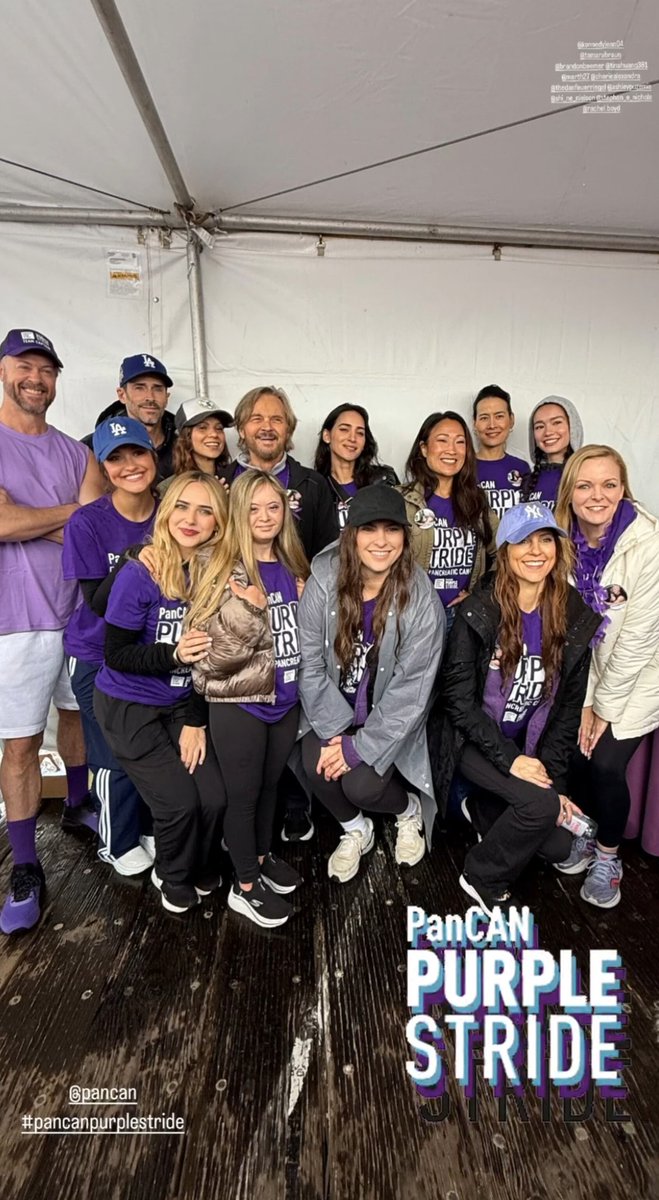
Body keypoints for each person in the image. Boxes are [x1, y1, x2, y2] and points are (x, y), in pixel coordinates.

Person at [429, 502, 601, 916]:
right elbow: (458, 702)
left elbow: (564, 716)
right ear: (505, 551)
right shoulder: (480, 609)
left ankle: (483, 808)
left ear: (558, 550)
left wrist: (554, 786)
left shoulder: (573, 614)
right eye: (523, 541)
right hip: (473, 740)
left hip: (530, 745)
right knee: (538, 809)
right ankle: (480, 876)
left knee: (558, 840)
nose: (536, 550)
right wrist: (512, 762)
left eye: (545, 539)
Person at [0, 328, 105, 935]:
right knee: (18, 745)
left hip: (79, 614)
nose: (36, 378)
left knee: (76, 718)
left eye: (46, 369)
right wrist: (68, 514)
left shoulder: (77, 452)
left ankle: (78, 804)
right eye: (25, 367)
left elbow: (94, 536)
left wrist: (24, 519)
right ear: (5, 371)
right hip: (15, 619)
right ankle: (24, 865)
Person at [93, 472, 228, 914]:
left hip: (179, 704)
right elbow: (116, 654)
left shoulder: (216, 575)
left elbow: (208, 665)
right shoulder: (142, 571)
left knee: (212, 796)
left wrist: (194, 719)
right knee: (178, 803)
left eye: (205, 510)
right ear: (167, 511)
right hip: (128, 704)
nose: (192, 518)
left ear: (218, 524)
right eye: (183, 506)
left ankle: (199, 862)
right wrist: (173, 655)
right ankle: (170, 875)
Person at [297, 485, 445, 882]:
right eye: (369, 529)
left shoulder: (420, 597)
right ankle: (355, 829)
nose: (381, 541)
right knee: (315, 764)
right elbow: (308, 662)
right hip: (334, 709)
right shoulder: (324, 580)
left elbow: (412, 691)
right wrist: (337, 734)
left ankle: (406, 811)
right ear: (352, 535)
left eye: (392, 530)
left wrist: (358, 747)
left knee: (362, 784)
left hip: (388, 718)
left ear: (404, 536)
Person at [188, 470, 309, 928]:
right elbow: (208, 661)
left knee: (270, 787)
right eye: (253, 508)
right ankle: (244, 886)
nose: (264, 517)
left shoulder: (295, 564)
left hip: (285, 697)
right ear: (237, 513)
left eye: (272, 507)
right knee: (242, 796)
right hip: (239, 703)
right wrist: (253, 609)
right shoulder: (218, 568)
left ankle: (260, 857)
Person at [219, 385, 336, 842]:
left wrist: (312, 587)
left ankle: (293, 807)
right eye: (256, 418)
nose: (267, 426)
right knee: (248, 748)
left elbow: (330, 551)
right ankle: (247, 853)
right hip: (242, 635)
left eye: (277, 418)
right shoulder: (223, 484)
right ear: (242, 428)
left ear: (289, 429)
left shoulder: (313, 485)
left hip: (297, 624)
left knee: (293, 716)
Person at [555, 446, 659, 908]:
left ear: (623, 489)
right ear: (570, 492)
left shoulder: (647, 542)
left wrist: (603, 708)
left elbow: (637, 638)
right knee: (573, 754)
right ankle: (585, 832)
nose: (597, 495)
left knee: (605, 762)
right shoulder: (559, 540)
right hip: (590, 667)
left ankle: (608, 857)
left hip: (644, 668)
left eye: (609, 484)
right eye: (585, 485)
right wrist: (583, 701)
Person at [63, 417, 159, 877]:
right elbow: (95, 603)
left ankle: (147, 828)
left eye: (137, 453)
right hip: (96, 653)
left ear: (152, 456)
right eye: (115, 458)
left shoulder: (173, 510)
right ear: (102, 467)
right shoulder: (88, 521)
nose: (129, 465)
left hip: (152, 653)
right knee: (112, 753)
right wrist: (133, 558)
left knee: (153, 746)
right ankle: (116, 840)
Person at [400, 411, 496, 631]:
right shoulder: (402, 500)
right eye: (442, 440)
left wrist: (480, 594)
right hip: (414, 618)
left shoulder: (477, 502)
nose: (452, 450)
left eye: (460, 442)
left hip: (462, 619)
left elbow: (507, 551)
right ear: (424, 449)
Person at [83, 354, 177, 480]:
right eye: (139, 388)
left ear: (167, 396)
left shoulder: (186, 442)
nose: (150, 397)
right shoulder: (90, 448)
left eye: (158, 389)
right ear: (122, 395)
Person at [313, 403, 399, 532]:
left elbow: (398, 531)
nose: (352, 438)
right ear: (327, 436)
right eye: (344, 429)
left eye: (360, 433)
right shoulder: (314, 486)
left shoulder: (383, 481)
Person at [473, 385, 529, 518]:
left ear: (511, 420)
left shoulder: (522, 468)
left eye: (499, 416)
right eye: (484, 418)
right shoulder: (462, 468)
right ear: (474, 423)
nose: (492, 425)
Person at [158, 398, 234, 495]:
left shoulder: (236, 479)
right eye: (202, 428)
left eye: (219, 428)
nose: (214, 434)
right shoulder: (169, 488)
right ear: (186, 436)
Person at [521, 395, 584, 509]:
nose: (548, 432)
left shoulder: (587, 475)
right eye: (540, 426)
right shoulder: (528, 480)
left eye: (557, 422)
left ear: (573, 427)